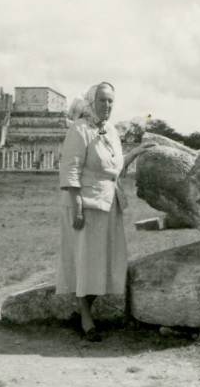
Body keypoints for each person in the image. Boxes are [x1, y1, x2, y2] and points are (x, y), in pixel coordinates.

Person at [56, 82, 156, 342]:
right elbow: (70, 170)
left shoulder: (110, 130)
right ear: (92, 102)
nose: (107, 105)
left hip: (109, 204)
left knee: (107, 261)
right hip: (86, 207)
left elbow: (115, 168)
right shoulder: (79, 129)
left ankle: (89, 311)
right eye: (102, 100)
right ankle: (86, 318)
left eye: (111, 101)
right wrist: (77, 207)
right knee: (87, 261)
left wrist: (135, 152)